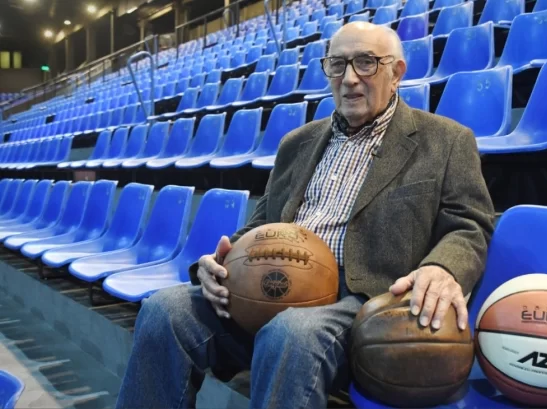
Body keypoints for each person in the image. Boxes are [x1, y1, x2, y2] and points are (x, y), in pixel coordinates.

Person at [116, 21, 495, 409]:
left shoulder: (446, 140)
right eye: (337, 64)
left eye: (366, 63)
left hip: (363, 300)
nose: (349, 79)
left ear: (396, 72)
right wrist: (220, 264)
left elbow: (471, 224)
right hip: (271, 284)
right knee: (165, 309)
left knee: (290, 332)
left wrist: (443, 268)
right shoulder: (296, 143)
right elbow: (260, 225)